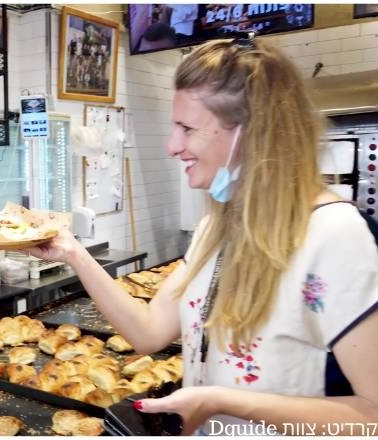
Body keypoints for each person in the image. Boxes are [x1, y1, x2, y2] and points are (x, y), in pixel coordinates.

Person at [27, 36, 378, 435]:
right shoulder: (219, 226)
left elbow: (371, 415)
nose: (172, 146)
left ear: (253, 133)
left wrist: (220, 400)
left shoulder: (334, 235)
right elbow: (148, 331)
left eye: (187, 128)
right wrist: (72, 251)